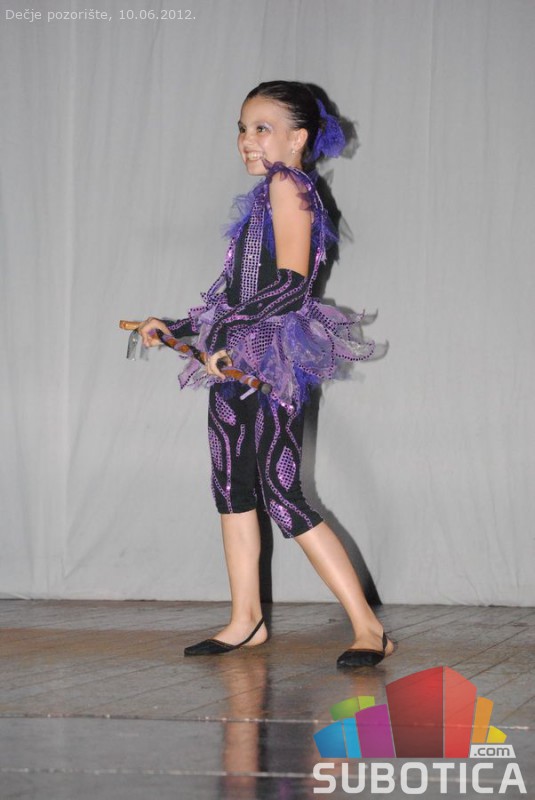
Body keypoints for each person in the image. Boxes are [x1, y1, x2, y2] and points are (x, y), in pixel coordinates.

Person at [137, 81, 394, 668]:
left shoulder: (288, 185)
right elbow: (233, 294)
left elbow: (293, 286)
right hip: (236, 360)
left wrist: (224, 336)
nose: (246, 140)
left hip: (270, 359)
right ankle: (245, 620)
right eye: (242, 128)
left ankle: (369, 627)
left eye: (262, 128)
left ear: (298, 138)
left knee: (281, 493)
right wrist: (176, 324)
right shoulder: (263, 197)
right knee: (231, 486)